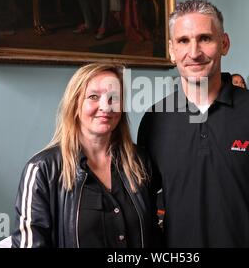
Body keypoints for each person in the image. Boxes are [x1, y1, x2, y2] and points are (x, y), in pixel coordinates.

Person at [137, 0, 249, 247]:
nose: (194, 52)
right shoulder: (154, 119)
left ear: (224, 44)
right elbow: (144, 205)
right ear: (172, 51)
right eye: (183, 41)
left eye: (205, 38)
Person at [11, 63, 160, 248]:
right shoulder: (42, 169)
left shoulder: (140, 162)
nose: (106, 106)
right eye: (93, 97)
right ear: (75, 105)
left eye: (114, 97)